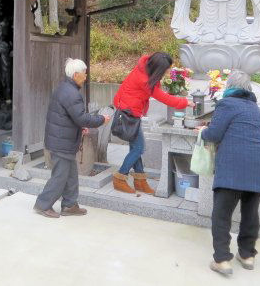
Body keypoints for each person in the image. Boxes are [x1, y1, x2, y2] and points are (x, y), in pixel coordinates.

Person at [197, 71, 260, 276]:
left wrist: (202, 131)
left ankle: (221, 259)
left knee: (221, 214)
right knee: (250, 212)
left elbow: (214, 134)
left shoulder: (227, 104)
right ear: (248, 89)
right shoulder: (254, 108)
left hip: (234, 165)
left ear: (229, 86)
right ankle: (247, 254)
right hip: (258, 165)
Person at [33, 59, 111, 218]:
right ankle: (42, 205)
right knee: (60, 176)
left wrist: (80, 126)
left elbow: (68, 116)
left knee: (71, 175)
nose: (86, 76)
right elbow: (82, 118)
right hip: (62, 142)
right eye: (84, 73)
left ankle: (69, 205)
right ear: (76, 75)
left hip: (61, 139)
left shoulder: (64, 88)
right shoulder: (72, 94)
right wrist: (102, 119)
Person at [112, 53, 193, 194]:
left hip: (130, 109)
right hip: (129, 113)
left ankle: (140, 181)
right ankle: (120, 177)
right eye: (166, 69)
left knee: (135, 148)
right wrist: (186, 102)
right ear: (158, 68)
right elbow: (164, 98)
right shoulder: (144, 80)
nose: (168, 72)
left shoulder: (144, 68)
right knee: (139, 148)